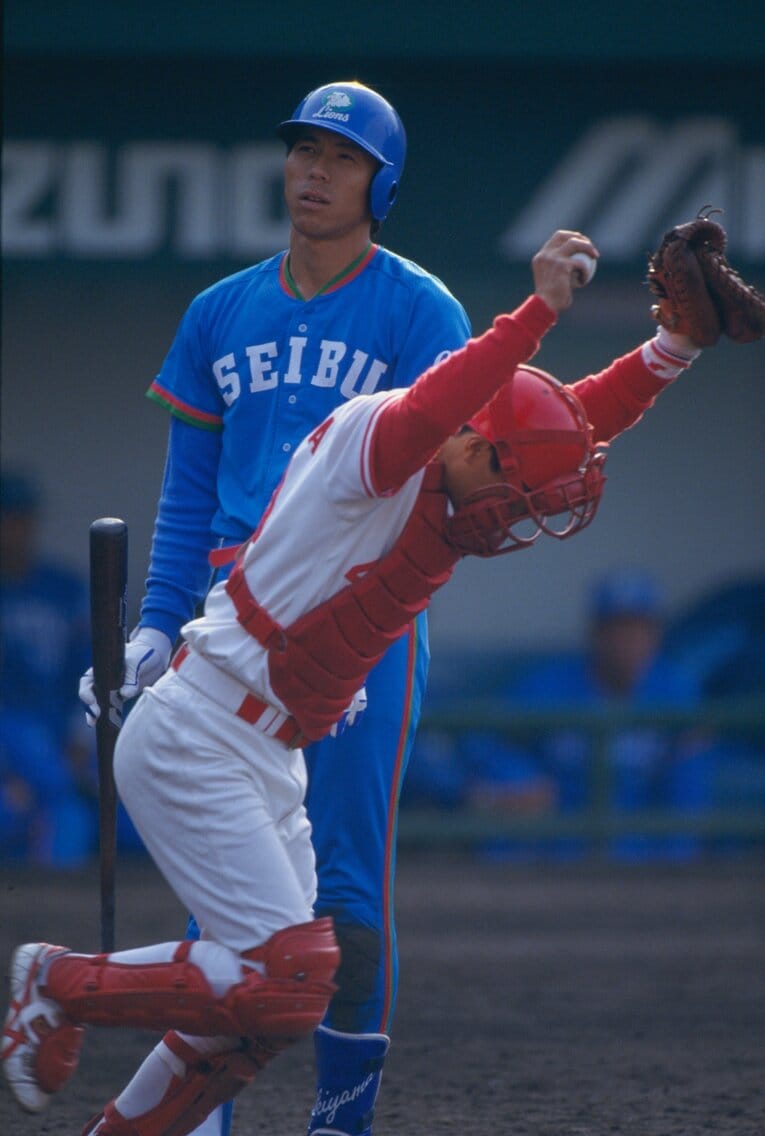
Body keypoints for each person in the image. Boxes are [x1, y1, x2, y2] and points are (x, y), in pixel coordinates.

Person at [4, 225, 720, 1132]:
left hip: (269, 756)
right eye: (515, 493)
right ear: (477, 444)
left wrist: (675, 348)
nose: (513, 519)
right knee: (287, 979)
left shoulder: (464, 470)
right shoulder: (377, 446)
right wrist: (538, 309)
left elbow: (563, 423)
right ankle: (56, 982)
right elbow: (451, 407)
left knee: (259, 1020)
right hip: (201, 732)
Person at [78, 79, 472, 1136]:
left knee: (345, 888)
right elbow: (187, 495)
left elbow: (444, 491)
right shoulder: (220, 310)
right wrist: (153, 626)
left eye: (340, 157)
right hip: (231, 626)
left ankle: (341, 1118)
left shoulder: (421, 309)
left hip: (359, 627)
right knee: (229, 883)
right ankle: (203, 1112)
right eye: (303, 150)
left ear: (379, 183)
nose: (313, 171)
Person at [496, 567, 714, 861]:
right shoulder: (548, 685)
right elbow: (492, 743)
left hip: (639, 850)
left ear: (655, 635)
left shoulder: (676, 692)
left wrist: (674, 865)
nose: (625, 640)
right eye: (615, 628)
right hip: (556, 846)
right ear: (594, 633)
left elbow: (687, 792)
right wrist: (522, 778)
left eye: (637, 628)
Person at [0, 469, 96, 866]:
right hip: (10, 736)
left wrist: (78, 738)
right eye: (6, 518)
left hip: (59, 735)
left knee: (78, 817)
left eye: (20, 518)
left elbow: (92, 669)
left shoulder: (63, 587)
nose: (13, 529)